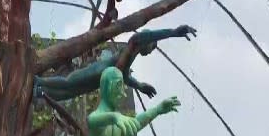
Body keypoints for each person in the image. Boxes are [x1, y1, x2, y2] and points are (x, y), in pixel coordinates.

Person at [33, 25, 197, 101]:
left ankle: (39, 92)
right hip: (99, 70)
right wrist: (173, 32)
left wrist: (140, 86)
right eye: (153, 46)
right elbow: (150, 36)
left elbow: (124, 75)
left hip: (99, 80)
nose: (152, 50)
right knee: (69, 82)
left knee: (69, 93)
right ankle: (38, 81)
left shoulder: (132, 54)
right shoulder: (135, 42)